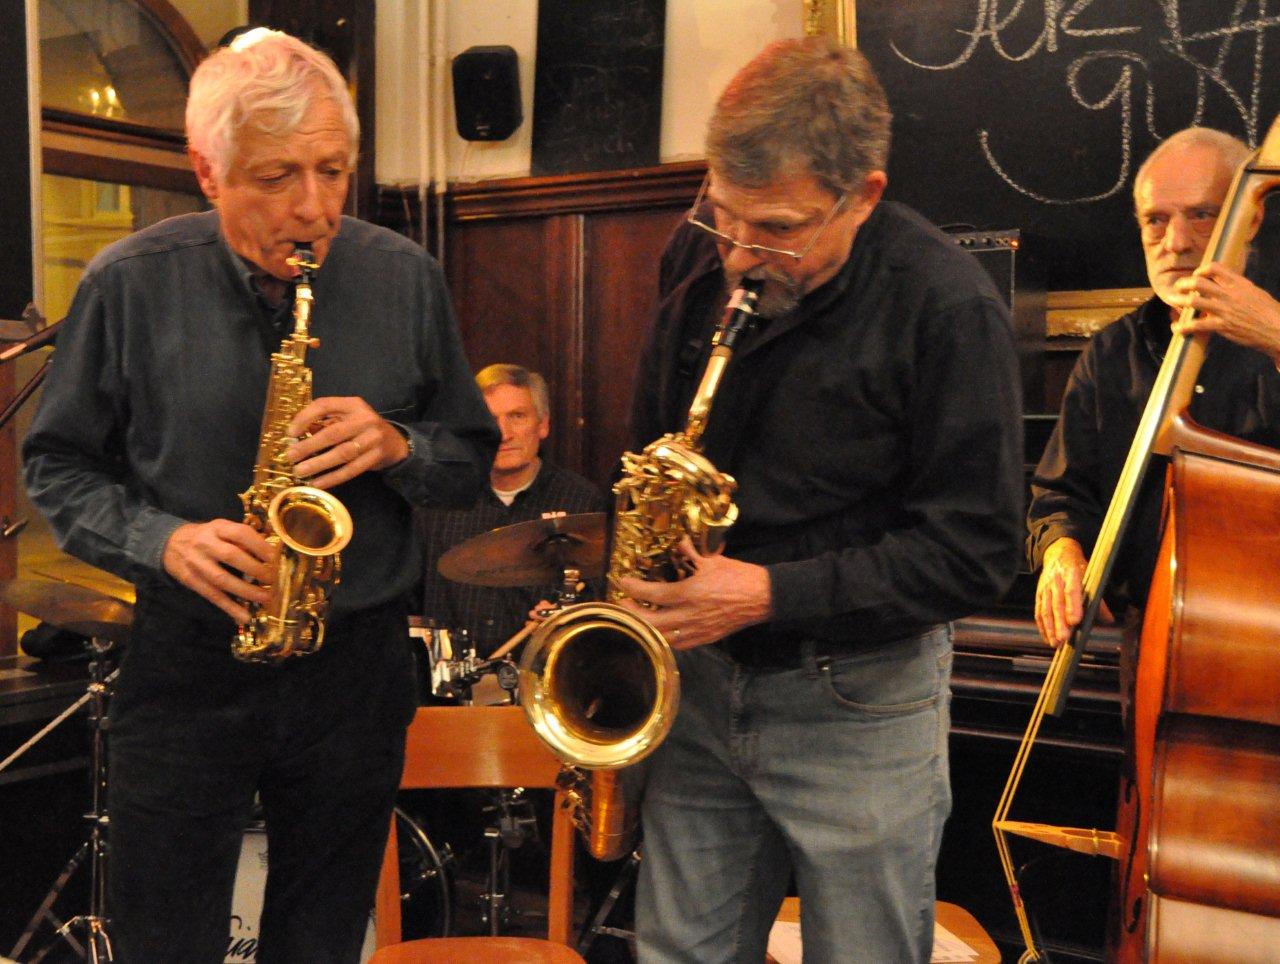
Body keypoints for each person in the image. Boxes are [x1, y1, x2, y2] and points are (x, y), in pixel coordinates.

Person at [21, 29, 498, 964]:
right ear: (208, 171)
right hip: (188, 664)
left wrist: (398, 445)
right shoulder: (128, 283)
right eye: (278, 177)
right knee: (164, 944)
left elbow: (470, 459)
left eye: (333, 171)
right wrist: (162, 541)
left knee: (323, 941)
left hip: (355, 667)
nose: (314, 208)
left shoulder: (403, 276)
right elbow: (57, 468)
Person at [618, 37, 1025, 963]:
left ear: (864, 196)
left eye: (778, 230)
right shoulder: (699, 253)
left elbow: (976, 550)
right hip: (700, 685)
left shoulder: (947, 308)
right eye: (725, 217)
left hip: (859, 700)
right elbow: (647, 452)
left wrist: (768, 593)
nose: (738, 258)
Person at [1028, 127, 1280, 649]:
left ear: (1251, 217)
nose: (1176, 242)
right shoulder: (1110, 354)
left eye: (1201, 214)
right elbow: (1062, 493)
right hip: (1156, 645)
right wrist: (1061, 553)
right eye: (1156, 220)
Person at [416, 363, 607, 663]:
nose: (503, 434)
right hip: (451, 683)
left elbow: (600, 604)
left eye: (517, 416)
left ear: (543, 425)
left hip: (543, 675)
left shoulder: (582, 501)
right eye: (490, 420)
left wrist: (567, 617)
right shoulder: (437, 501)